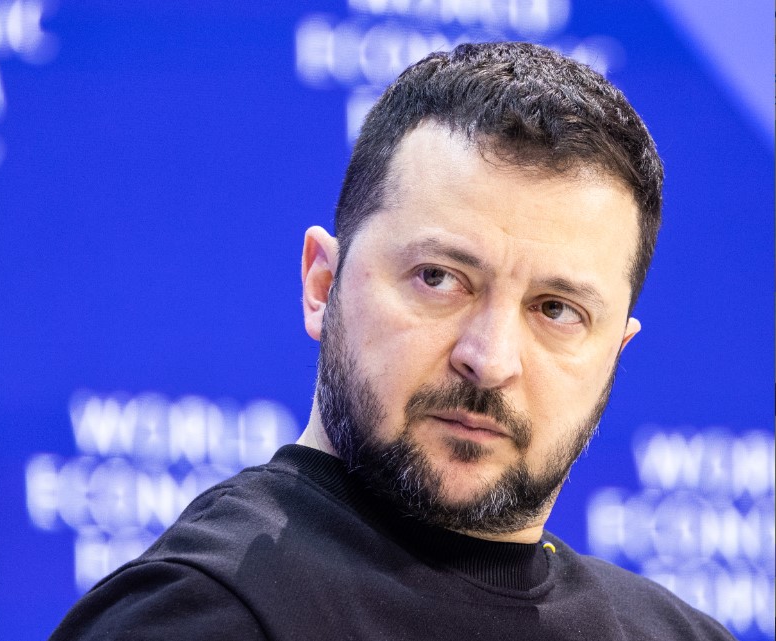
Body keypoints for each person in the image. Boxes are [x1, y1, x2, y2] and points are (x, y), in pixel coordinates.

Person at [49, 42, 735, 640]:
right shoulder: (204, 614)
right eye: (439, 278)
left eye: (556, 309)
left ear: (616, 352)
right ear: (322, 284)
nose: (489, 358)